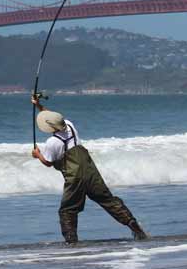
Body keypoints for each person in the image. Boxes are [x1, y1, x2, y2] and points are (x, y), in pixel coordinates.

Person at [31, 94, 148, 244]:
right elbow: (54, 119)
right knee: (108, 200)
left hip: (75, 177)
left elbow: (48, 162)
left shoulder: (52, 142)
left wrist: (37, 154)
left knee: (68, 210)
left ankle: (72, 243)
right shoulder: (69, 125)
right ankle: (137, 229)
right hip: (90, 171)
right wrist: (38, 105)